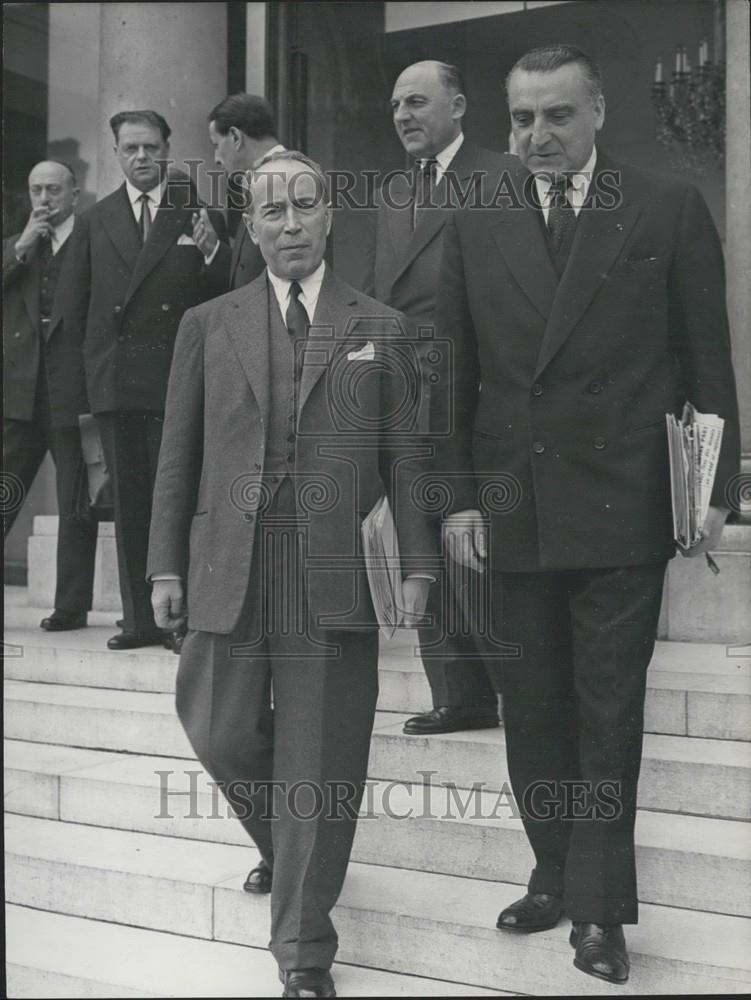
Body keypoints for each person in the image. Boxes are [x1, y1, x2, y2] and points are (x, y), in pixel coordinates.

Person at [431, 45, 739, 985]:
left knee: (606, 714)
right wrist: (451, 501)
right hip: (511, 505)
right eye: (520, 119)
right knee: (532, 710)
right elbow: (454, 374)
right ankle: (555, 874)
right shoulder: (475, 219)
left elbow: (707, 361)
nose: (536, 137)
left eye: (556, 116)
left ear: (598, 112)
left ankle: (601, 916)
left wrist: (715, 490)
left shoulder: (666, 206)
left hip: (619, 506)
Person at [147, 150, 433, 998]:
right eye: (271, 212)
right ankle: (287, 848)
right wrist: (163, 564)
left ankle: (304, 957)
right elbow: (176, 456)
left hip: (330, 571)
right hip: (227, 562)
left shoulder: (380, 327)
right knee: (220, 732)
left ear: (329, 216)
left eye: (305, 206)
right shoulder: (208, 321)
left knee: (320, 762)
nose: (290, 224)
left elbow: (408, 458)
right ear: (251, 225)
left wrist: (418, 566)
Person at [364, 60, 514, 735]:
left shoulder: (500, 176)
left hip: (473, 394)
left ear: (457, 105)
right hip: (404, 395)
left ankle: (516, 683)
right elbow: (377, 296)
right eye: (396, 104)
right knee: (421, 542)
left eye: (417, 102)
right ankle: (459, 692)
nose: (403, 115)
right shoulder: (393, 191)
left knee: (478, 544)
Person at [62, 110, 228, 649]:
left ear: (167, 149)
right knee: (130, 502)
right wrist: (86, 388)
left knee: (175, 499)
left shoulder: (196, 210)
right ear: (115, 152)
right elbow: (75, 307)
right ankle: (139, 622)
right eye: (131, 148)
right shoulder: (94, 218)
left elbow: (223, 296)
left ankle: (181, 622)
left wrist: (210, 251)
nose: (142, 157)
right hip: (116, 383)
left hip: (176, 379)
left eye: (151, 147)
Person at [3, 160, 97, 631]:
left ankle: (70, 606)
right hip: (19, 395)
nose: (44, 199)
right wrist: (19, 247)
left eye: (54, 190)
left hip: (72, 391)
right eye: (37, 190)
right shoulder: (16, 248)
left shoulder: (91, 240)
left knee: (76, 501)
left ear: (73, 194)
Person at [194, 92, 284, 290]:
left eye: (216, 145)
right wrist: (214, 249)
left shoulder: (287, 180)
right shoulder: (264, 180)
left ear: (235, 137)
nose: (216, 158)